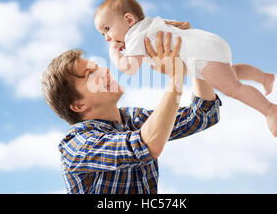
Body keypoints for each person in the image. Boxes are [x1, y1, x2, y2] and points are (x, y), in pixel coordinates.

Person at [41, 31, 222, 194]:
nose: (104, 70)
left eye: (97, 66)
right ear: (78, 105)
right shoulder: (77, 144)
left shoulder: (133, 119)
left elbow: (201, 116)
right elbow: (145, 145)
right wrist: (175, 78)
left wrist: (191, 57)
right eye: (90, 74)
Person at [94, 0, 277, 137]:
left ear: (128, 20)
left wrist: (114, 52)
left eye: (107, 29)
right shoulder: (150, 23)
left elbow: (130, 68)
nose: (108, 38)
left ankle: (269, 109)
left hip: (201, 56)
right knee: (232, 72)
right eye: (103, 35)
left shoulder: (134, 35)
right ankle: (264, 77)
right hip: (207, 43)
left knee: (233, 88)